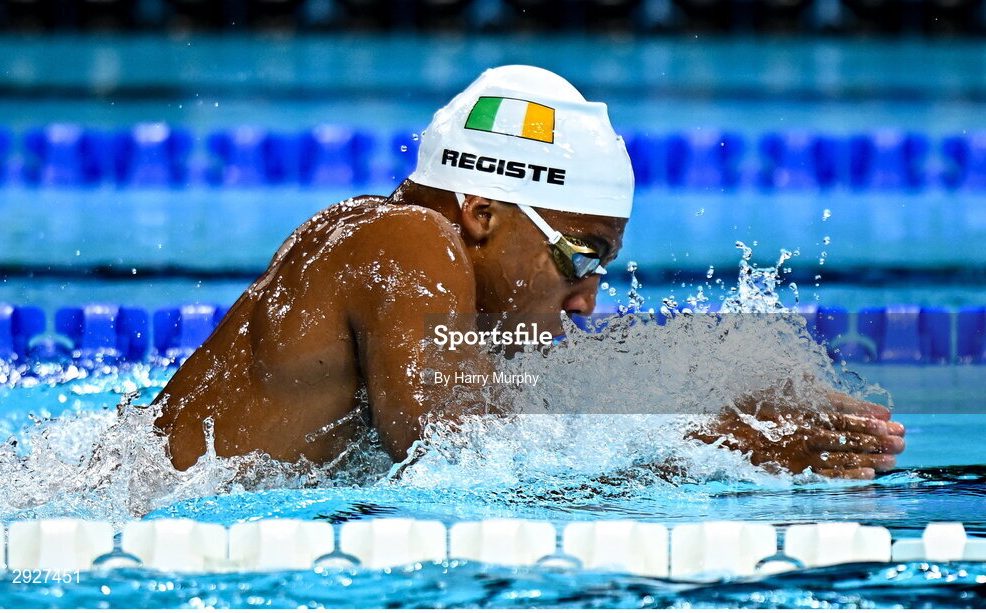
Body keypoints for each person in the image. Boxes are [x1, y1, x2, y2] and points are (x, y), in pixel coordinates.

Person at [152, 65, 904, 480]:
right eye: (581, 255)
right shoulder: (411, 241)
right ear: (482, 213)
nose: (586, 298)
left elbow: (524, 412)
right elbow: (462, 468)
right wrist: (720, 448)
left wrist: (711, 393)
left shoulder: (380, 242)